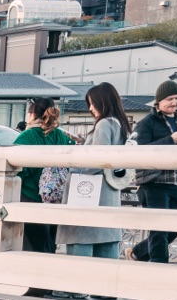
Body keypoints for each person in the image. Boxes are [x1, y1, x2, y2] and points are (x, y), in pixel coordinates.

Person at [58, 82, 129, 260]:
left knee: (81, 239)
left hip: (90, 192)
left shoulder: (103, 124)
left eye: (92, 103)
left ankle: (77, 287)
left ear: (102, 102)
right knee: (106, 244)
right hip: (109, 190)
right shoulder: (119, 123)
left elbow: (96, 160)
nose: (90, 108)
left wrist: (73, 165)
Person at [130, 79, 177, 263]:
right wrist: (170, 140)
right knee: (158, 229)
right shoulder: (146, 123)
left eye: (176, 98)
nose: (174, 103)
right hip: (154, 182)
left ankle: (137, 253)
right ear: (158, 102)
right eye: (169, 99)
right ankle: (158, 269)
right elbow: (138, 151)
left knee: (175, 226)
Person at [13, 96, 72, 256]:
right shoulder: (61, 136)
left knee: (32, 247)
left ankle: (34, 278)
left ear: (31, 115)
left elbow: (20, 169)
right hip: (57, 197)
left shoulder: (27, 137)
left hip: (31, 196)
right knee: (49, 243)